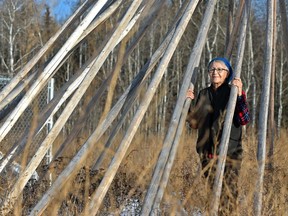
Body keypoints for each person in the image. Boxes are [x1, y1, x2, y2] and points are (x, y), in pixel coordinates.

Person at [186, 57, 250, 168]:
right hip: (206, 153)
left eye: (220, 69)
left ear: (227, 73)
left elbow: (244, 119)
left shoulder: (233, 92)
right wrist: (187, 104)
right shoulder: (203, 93)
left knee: (229, 185)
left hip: (230, 153)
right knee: (209, 185)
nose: (215, 72)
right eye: (212, 70)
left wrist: (239, 94)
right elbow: (194, 124)